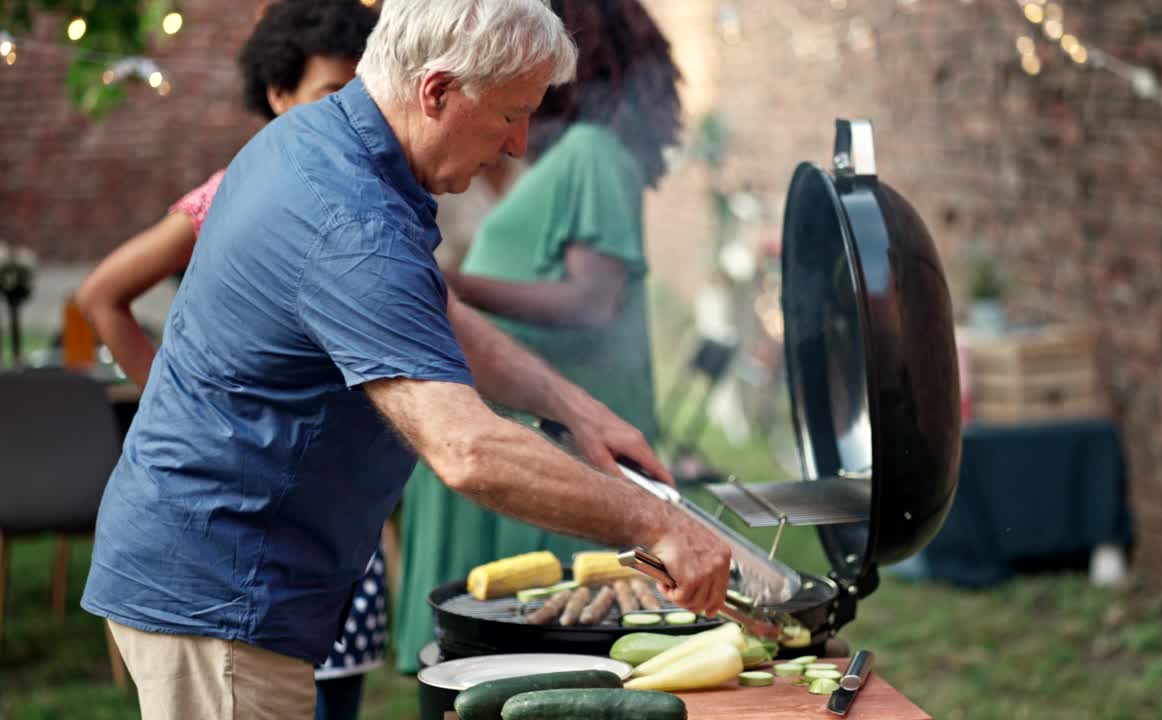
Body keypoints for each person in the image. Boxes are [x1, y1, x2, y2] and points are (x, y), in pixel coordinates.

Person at [79, 0, 732, 717]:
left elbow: (436, 311)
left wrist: (573, 408)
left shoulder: (323, 142)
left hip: (222, 569)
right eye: (511, 112)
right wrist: (658, 523)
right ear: (437, 90)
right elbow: (466, 451)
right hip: (219, 590)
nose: (519, 144)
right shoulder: (349, 217)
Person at [73, 2, 390, 718]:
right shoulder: (239, 190)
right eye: (329, 95)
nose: (354, 116)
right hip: (244, 528)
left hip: (311, 518)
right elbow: (102, 296)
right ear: (278, 95)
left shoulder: (362, 196)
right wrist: (179, 401)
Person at [393, 0, 682, 675]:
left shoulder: (593, 152)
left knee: (527, 669)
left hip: (546, 442)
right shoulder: (563, 158)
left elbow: (592, 300)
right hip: (506, 431)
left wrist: (448, 283)